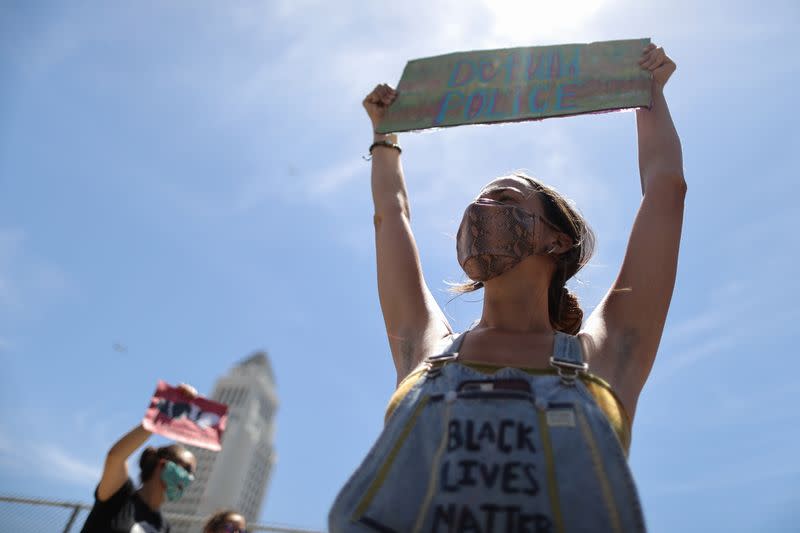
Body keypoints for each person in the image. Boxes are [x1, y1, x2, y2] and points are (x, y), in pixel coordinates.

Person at [329, 43, 684, 532]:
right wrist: (384, 137)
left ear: (559, 239)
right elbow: (391, 215)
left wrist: (649, 95)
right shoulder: (426, 349)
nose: (480, 210)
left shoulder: (606, 355)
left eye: (502, 198)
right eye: (476, 204)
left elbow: (666, 190)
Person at [81, 384, 198, 533]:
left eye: (193, 474)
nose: (190, 478)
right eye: (187, 469)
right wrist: (161, 417)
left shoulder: (163, 526)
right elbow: (115, 457)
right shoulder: (121, 495)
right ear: (162, 465)